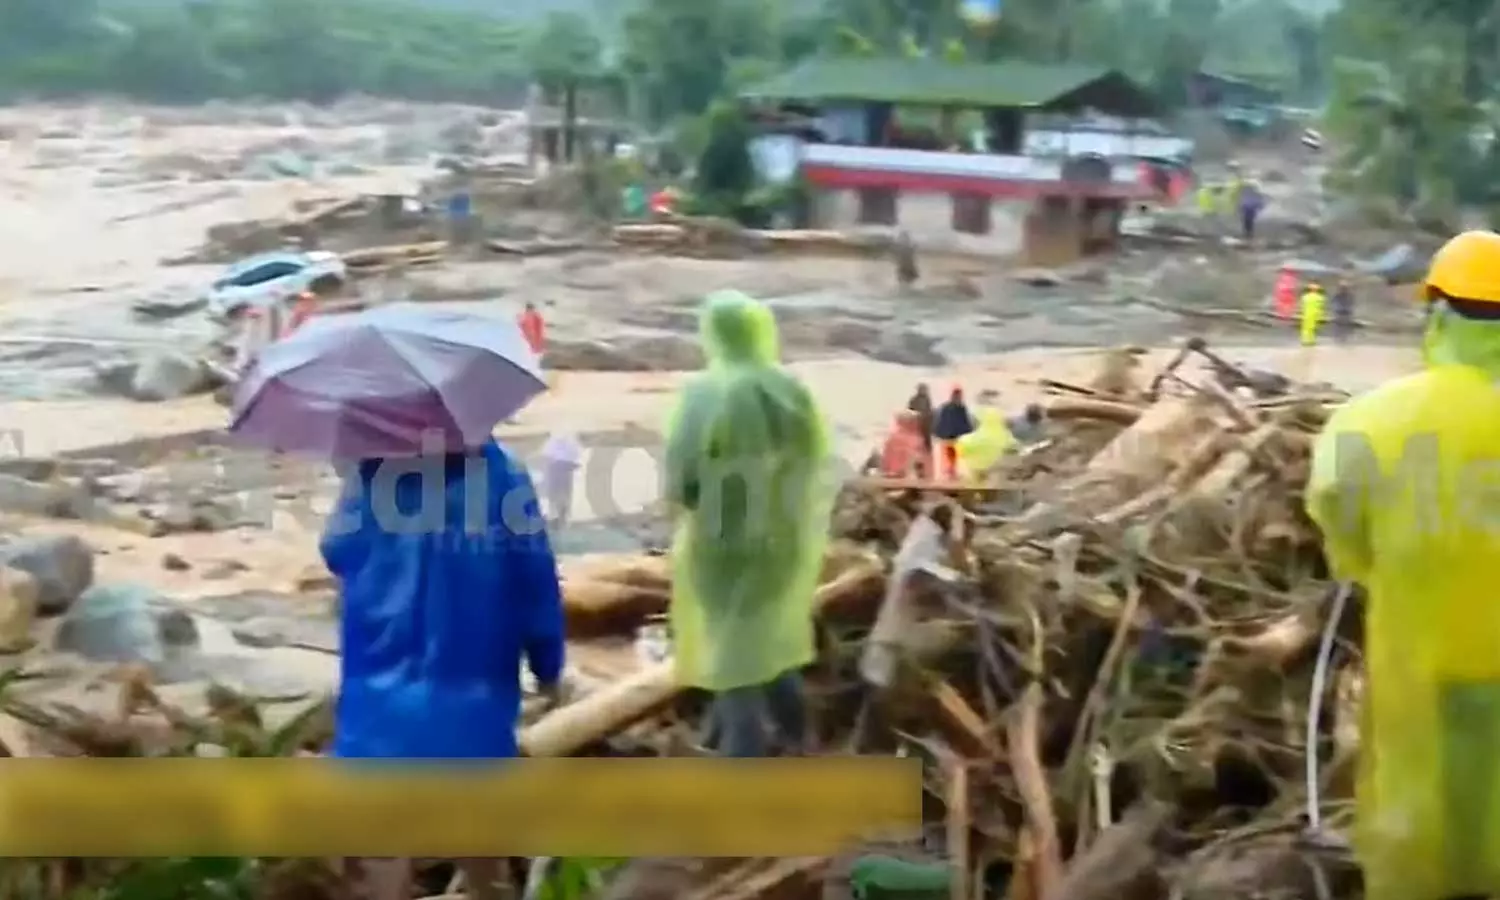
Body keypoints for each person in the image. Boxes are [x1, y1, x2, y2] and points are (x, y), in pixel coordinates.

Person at [1304, 229, 1500, 900]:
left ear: (1437, 312)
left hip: (1420, 670)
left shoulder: (1369, 423)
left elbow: (1343, 534)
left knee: (1420, 829)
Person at [322, 438, 564, 900]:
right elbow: (535, 581)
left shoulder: (375, 471)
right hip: (472, 700)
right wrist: (547, 666)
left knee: (380, 855)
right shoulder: (503, 477)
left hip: (379, 700)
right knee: (482, 850)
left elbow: (336, 549)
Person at [664, 290, 830, 758]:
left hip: (724, 544)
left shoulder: (706, 393)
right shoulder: (792, 390)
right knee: (769, 637)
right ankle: (799, 738)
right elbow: (817, 462)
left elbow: (683, 478)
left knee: (733, 655)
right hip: (786, 540)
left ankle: (743, 761)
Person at [537, 431, 583, 527]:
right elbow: (576, 458)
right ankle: (561, 516)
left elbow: (545, 457)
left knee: (556, 494)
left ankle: (558, 516)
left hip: (558, 469)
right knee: (563, 494)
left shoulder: (551, 443)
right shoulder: (570, 444)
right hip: (564, 469)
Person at [932, 387, 975, 481]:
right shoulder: (960, 408)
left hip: (951, 437)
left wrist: (937, 433)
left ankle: (949, 476)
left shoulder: (947, 407)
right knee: (951, 459)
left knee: (950, 460)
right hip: (952, 438)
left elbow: (939, 422)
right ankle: (951, 476)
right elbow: (965, 423)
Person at [879, 411, 928, 479]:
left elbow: (884, 462)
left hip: (891, 476)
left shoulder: (892, 439)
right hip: (908, 477)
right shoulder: (917, 439)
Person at [906, 382, 935, 465]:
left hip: (926, 425)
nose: (924, 391)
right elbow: (910, 412)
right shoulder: (914, 400)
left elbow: (929, 410)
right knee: (918, 445)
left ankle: (928, 461)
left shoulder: (927, 399)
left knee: (927, 445)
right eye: (923, 389)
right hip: (917, 424)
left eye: (925, 389)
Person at [1299, 281, 1326, 347]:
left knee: (1306, 328)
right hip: (1316, 315)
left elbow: (1302, 305)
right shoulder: (1321, 297)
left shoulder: (1305, 297)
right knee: (1313, 328)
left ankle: (1305, 340)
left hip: (1307, 314)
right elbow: (1321, 307)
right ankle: (1311, 341)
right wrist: (1321, 315)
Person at [1331, 278, 1356, 342]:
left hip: (1346, 312)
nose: (1343, 289)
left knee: (1345, 326)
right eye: (1342, 287)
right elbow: (1334, 302)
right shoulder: (1337, 295)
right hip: (1339, 312)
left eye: (1344, 287)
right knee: (1339, 326)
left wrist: (1349, 309)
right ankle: (1338, 338)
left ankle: (1343, 338)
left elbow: (1351, 303)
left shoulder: (1349, 295)